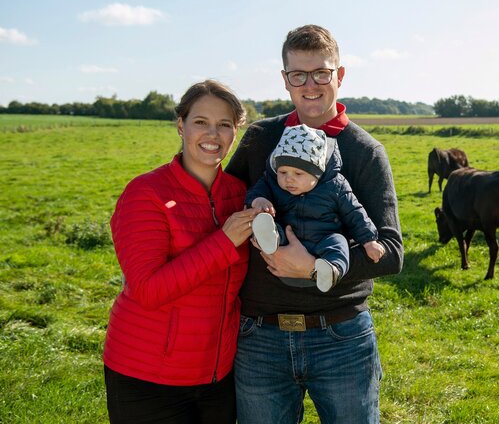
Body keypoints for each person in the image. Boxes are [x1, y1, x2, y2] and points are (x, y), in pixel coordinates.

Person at [226, 24, 404, 423]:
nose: (311, 85)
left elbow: (391, 253)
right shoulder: (260, 139)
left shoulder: (365, 152)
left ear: (339, 75)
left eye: (321, 73)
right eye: (298, 75)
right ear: (285, 79)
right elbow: (221, 204)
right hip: (260, 336)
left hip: (339, 336)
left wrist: (310, 268)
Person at [103, 80, 262, 423]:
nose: (213, 134)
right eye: (201, 122)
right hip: (147, 374)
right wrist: (223, 241)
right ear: (181, 125)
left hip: (219, 375)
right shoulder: (146, 193)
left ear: (237, 131)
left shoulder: (240, 194)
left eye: (224, 125)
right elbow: (147, 290)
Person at [247, 123, 386, 292]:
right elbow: (256, 191)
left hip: (323, 239)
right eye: (283, 172)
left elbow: (354, 213)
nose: (288, 179)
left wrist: (369, 240)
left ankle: (331, 270)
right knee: (274, 226)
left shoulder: (336, 186)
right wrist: (259, 200)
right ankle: (268, 236)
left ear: (317, 173)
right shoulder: (272, 182)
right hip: (286, 239)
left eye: (298, 174)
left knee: (339, 242)